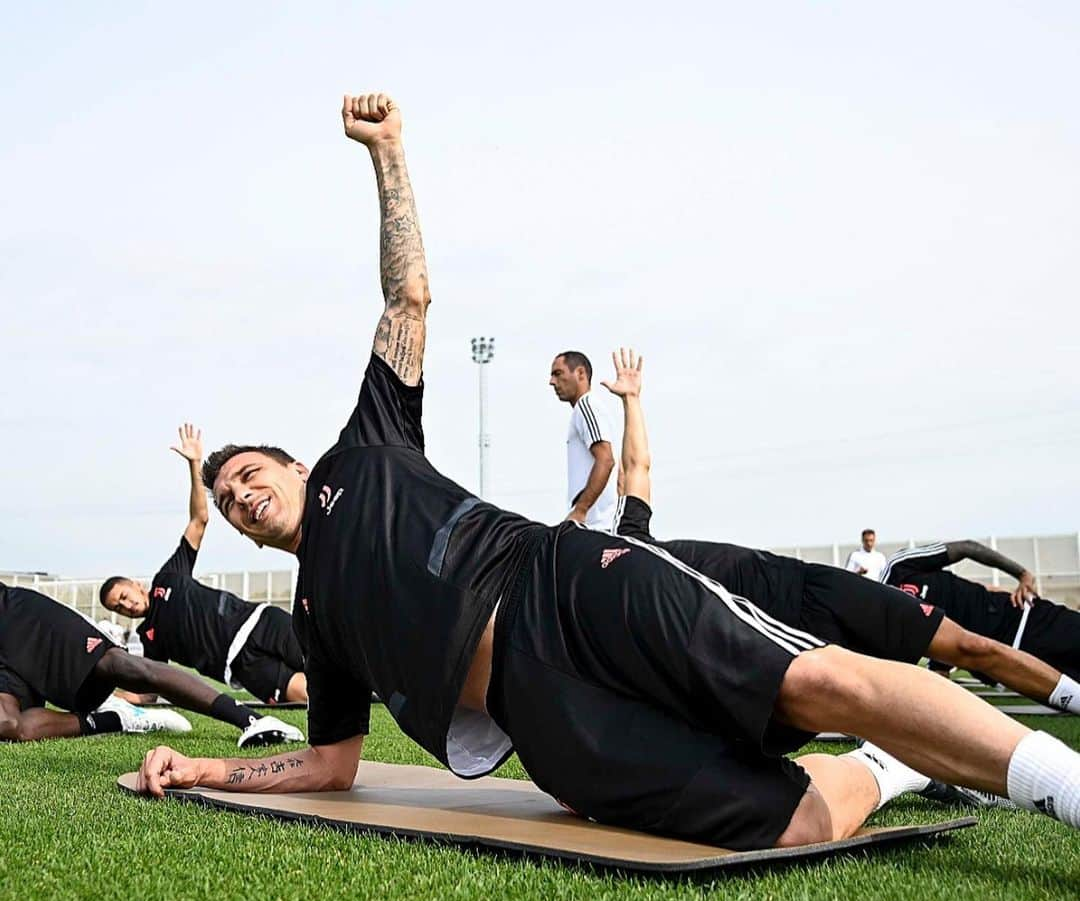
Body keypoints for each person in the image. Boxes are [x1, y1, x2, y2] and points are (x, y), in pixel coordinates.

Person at [134, 92, 1080, 851]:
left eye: (249, 473)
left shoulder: (366, 446)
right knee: (787, 823)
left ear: (294, 464)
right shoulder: (314, 614)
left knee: (808, 683)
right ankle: (889, 767)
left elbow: (409, 297)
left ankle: (1061, 784)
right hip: (539, 719)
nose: (241, 495)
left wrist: (386, 155)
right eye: (226, 500)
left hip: (564, 585)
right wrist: (206, 770)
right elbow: (331, 764)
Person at [601, 349, 1080, 720]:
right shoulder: (631, 623)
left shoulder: (631, 539)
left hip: (815, 590)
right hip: (787, 647)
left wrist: (632, 401)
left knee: (969, 648)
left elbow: (636, 466)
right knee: (887, 705)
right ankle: (928, 770)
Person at [100, 424, 306, 746]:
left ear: (137, 586)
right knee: (309, 695)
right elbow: (151, 691)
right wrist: (108, 697)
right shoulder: (149, 639)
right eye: (118, 607)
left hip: (259, 622)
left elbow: (199, 520)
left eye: (124, 595)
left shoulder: (168, 577)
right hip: (240, 666)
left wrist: (194, 464)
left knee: (329, 661)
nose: (125, 605)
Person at [0, 584, 275, 742]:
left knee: (116, 665)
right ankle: (113, 720)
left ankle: (249, 719)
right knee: (8, 726)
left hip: (15, 614)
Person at [881, 542, 1080, 697]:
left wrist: (1022, 574)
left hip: (1022, 619)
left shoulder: (899, 567)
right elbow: (941, 658)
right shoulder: (888, 633)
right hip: (1009, 668)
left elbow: (967, 547)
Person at [548, 351, 619, 529]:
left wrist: (580, 510)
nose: (552, 382)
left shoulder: (586, 407)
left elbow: (606, 460)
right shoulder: (590, 409)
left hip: (596, 526)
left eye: (558, 374)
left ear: (580, 373)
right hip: (601, 525)